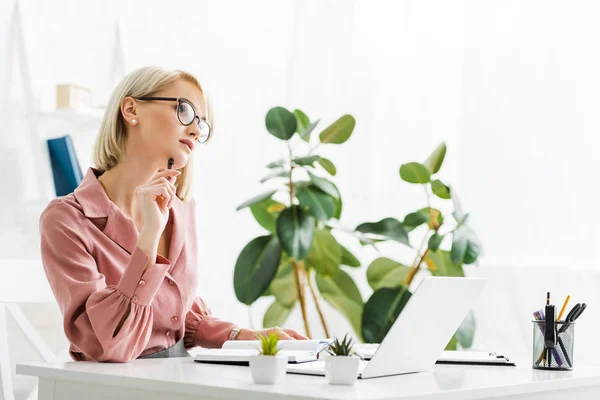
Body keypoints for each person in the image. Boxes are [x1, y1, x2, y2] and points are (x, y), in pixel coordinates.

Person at [39, 66, 307, 362]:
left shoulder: (179, 209)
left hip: (178, 378)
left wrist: (248, 336)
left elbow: (176, 317)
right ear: (130, 110)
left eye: (201, 124)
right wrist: (148, 239)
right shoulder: (66, 220)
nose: (195, 129)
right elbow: (109, 345)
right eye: (185, 110)